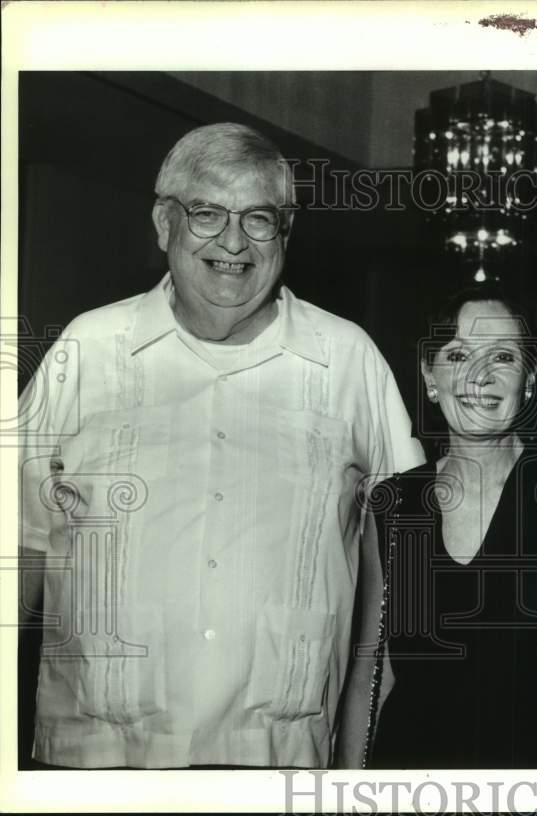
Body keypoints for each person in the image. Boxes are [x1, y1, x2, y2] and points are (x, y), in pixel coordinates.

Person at [18, 122, 424, 768]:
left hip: (279, 761)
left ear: (284, 234)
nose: (233, 242)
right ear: (163, 223)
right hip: (97, 759)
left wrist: (362, 765)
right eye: (207, 213)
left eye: (258, 219)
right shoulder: (85, 350)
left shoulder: (349, 362)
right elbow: (20, 545)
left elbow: (402, 573)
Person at [338, 287, 537, 769]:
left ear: (528, 380)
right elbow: (372, 672)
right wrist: (347, 794)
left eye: (503, 357)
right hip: (408, 785)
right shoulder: (391, 505)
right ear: (430, 375)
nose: (479, 376)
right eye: (458, 354)